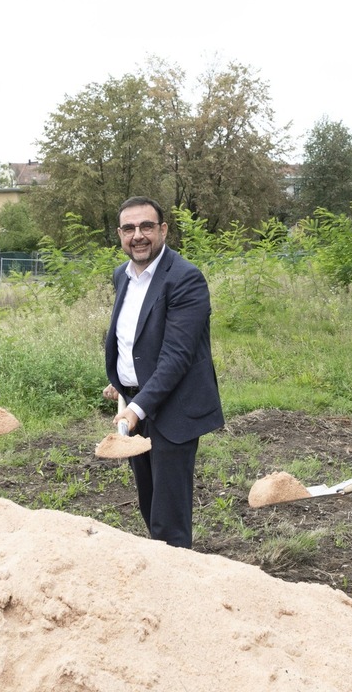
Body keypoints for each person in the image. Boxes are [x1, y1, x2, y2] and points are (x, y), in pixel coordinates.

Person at [103, 196, 224, 549]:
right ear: (119, 234)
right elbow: (134, 339)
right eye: (129, 228)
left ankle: (179, 588)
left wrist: (136, 408)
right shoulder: (122, 277)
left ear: (163, 230)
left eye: (146, 227)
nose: (137, 235)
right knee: (148, 501)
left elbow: (177, 357)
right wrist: (121, 383)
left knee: (168, 517)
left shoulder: (185, 278)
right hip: (136, 405)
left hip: (174, 409)